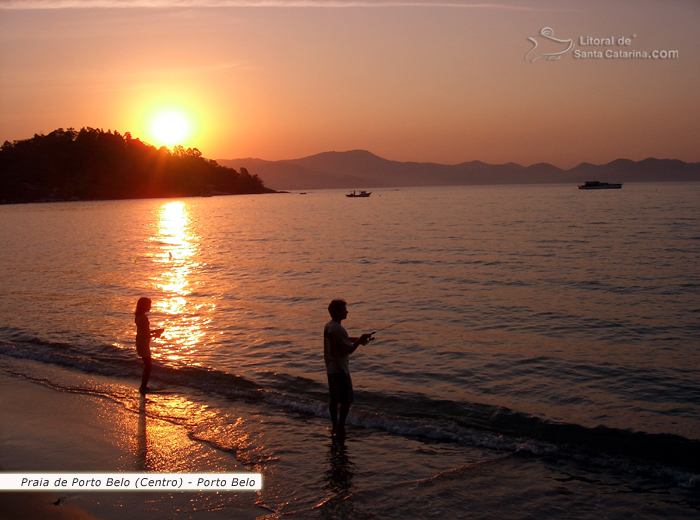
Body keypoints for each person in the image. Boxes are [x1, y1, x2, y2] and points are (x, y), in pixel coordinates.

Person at [324, 299, 372, 438]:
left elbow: (342, 340)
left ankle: (334, 427)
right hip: (340, 369)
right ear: (338, 313)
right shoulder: (338, 328)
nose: (347, 311)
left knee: (334, 399)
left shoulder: (329, 326)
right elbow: (348, 349)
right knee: (345, 401)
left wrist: (358, 339)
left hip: (331, 368)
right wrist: (360, 340)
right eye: (345, 310)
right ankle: (341, 429)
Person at [134, 297, 163, 394]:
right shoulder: (143, 318)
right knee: (148, 366)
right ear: (144, 306)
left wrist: (155, 331)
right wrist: (156, 334)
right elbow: (146, 334)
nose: (150, 306)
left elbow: (144, 332)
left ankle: (143, 386)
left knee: (147, 366)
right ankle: (143, 387)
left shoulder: (138, 316)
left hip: (140, 342)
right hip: (143, 343)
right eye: (149, 305)